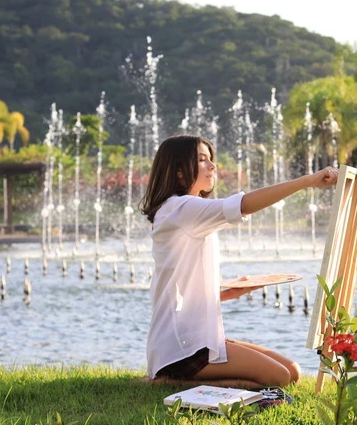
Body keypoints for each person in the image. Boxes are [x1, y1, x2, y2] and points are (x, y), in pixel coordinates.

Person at [141, 134, 339, 387]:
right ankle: (167, 382)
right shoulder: (180, 208)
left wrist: (225, 292)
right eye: (202, 160)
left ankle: (177, 377)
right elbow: (243, 205)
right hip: (183, 344)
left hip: (198, 336)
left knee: (292, 371)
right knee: (277, 378)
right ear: (179, 172)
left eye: (210, 159)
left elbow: (179, 283)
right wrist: (307, 181)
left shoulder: (187, 209)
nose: (212, 166)